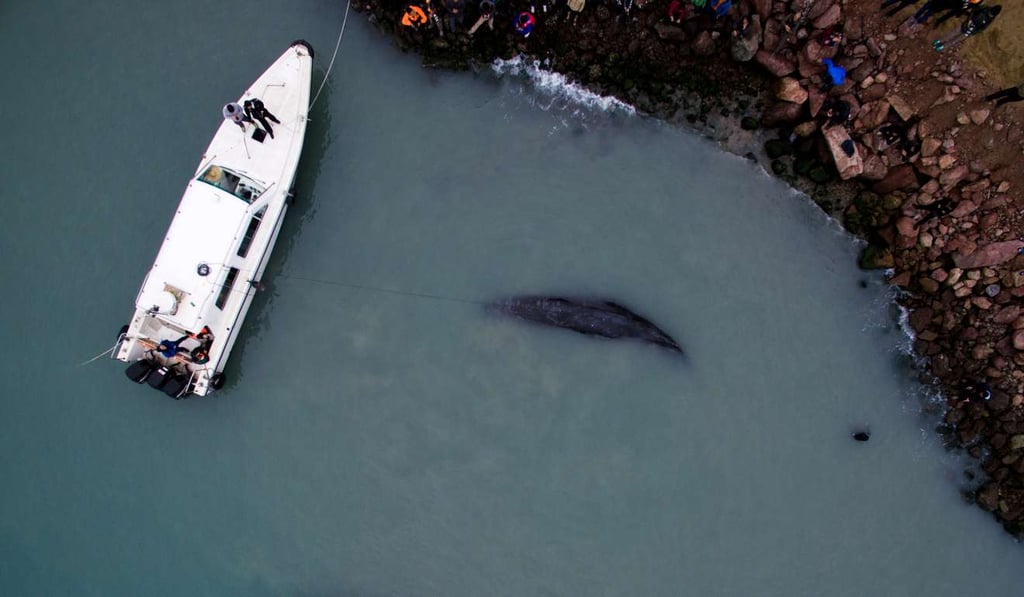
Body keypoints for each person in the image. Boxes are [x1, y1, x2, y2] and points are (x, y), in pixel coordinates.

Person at [933, 4, 1001, 52]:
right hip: (967, 23)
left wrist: (973, 32)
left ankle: (943, 46)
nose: (990, 14)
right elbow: (973, 11)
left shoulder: (991, 19)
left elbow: (983, 28)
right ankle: (940, 41)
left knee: (956, 40)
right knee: (953, 33)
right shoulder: (985, 8)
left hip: (971, 31)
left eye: (992, 14)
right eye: (991, 13)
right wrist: (969, 20)